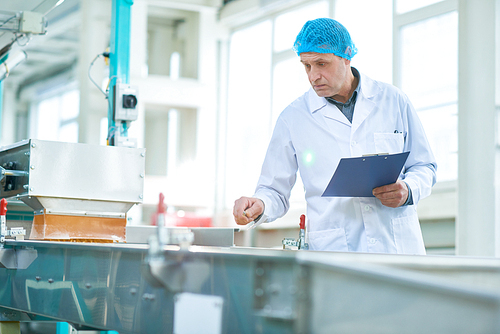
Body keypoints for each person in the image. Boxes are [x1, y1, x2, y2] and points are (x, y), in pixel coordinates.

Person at [233, 18, 437, 254]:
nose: (313, 76)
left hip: (396, 246)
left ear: (346, 56)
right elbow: (274, 190)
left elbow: (425, 165)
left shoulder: (393, 100)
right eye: (306, 66)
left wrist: (408, 190)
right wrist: (260, 204)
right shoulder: (292, 118)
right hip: (336, 249)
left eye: (321, 63)